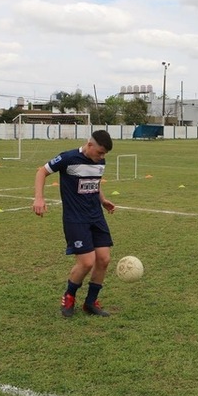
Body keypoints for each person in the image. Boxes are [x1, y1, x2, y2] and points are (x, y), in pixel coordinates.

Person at [33, 130, 116, 318]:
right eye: (100, 152)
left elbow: (95, 182)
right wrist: (39, 198)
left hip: (96, 216)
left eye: (104, 154)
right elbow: (41, 172)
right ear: (90, 145)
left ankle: (90, 302)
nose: (102, 157)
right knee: (87, 262)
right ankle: (69, 297)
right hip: (75, 218)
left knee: (103, 259)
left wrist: (103, 201)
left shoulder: (99, 161)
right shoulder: (67, 158)